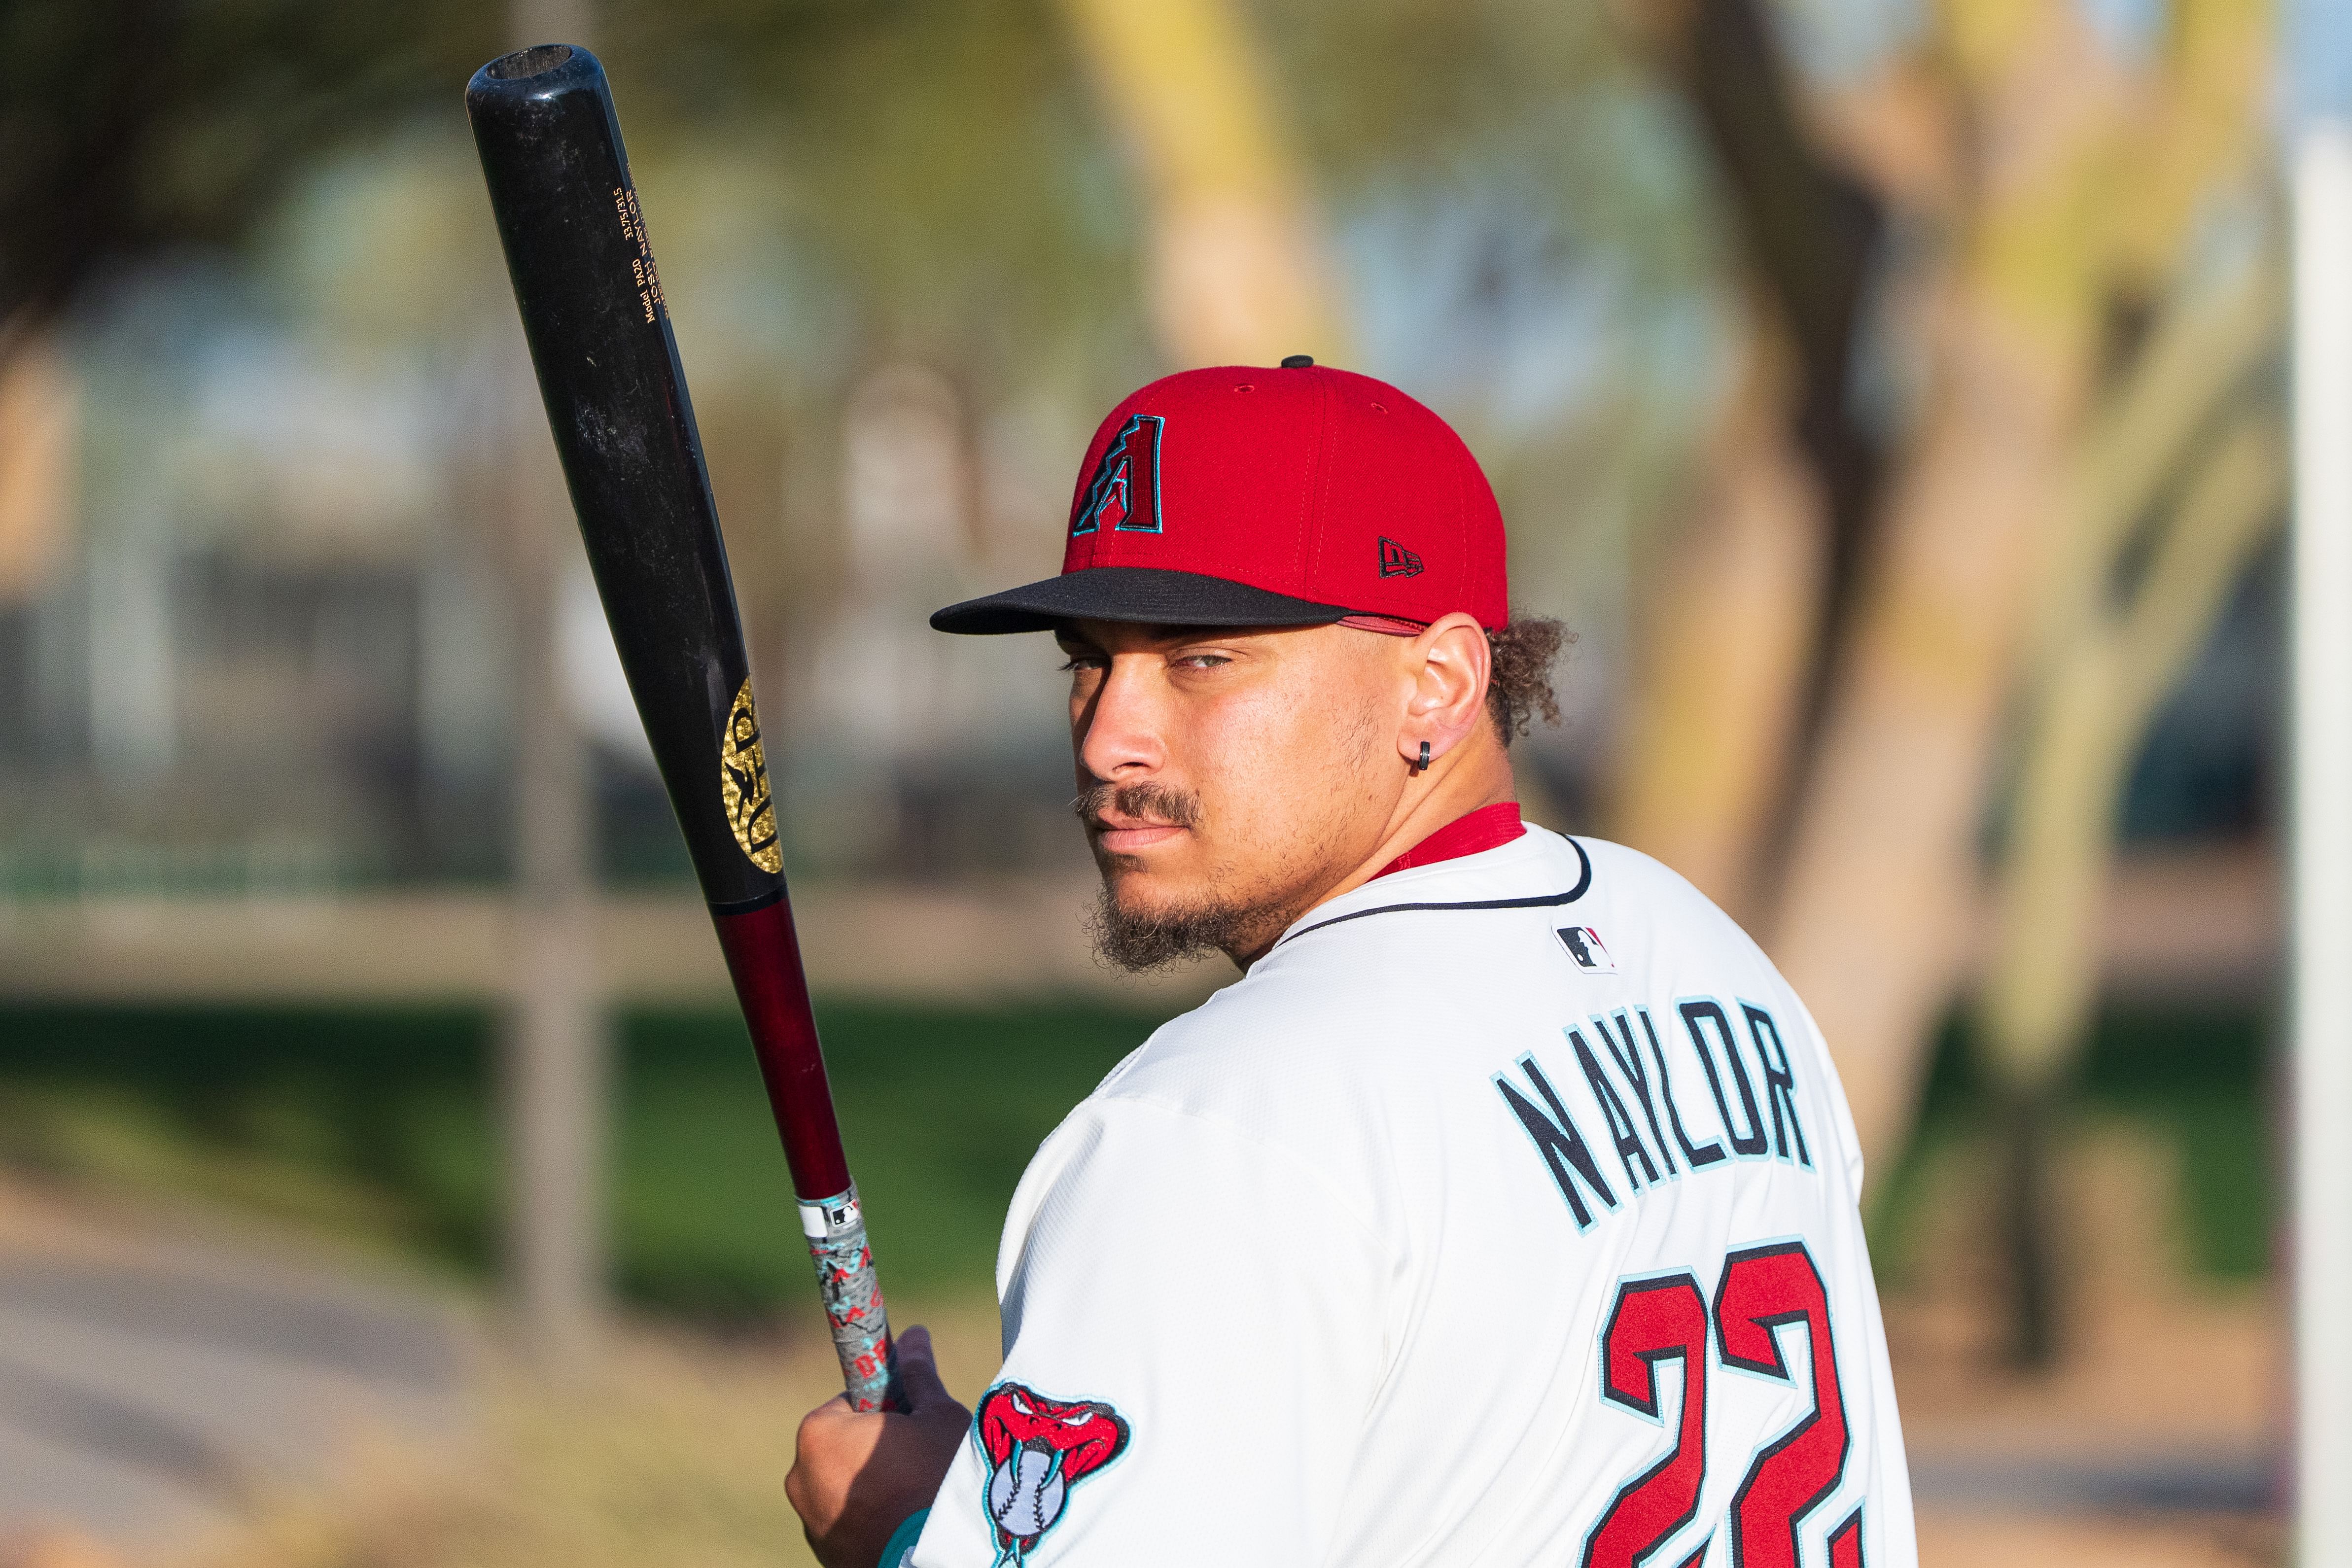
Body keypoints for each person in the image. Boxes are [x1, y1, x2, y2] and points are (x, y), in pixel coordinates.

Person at [785, 360, 1918, 1568]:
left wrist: (903, 1531)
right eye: (1088, 658)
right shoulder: (1710, 957)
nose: (1110, 731)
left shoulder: (1215, 1122)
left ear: (1436, 681)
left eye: (1199, 659)